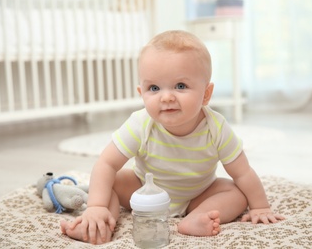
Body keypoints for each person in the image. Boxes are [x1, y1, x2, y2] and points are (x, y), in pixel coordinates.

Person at [60, 30, 285, 244]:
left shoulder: (216, 127)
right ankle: (99, 224)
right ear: (142, 94)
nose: (166, 97)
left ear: (206, 94)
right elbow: (106, 163)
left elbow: (243, 172)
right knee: (113, 181)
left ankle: (196, 218)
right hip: (143, 193)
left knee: (236, 193)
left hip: (197, 195)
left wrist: (260, 207)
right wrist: (96, 205)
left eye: (180, 86)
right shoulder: (140, 124)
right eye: (154, 88)